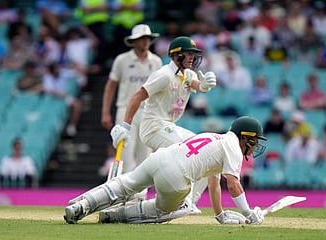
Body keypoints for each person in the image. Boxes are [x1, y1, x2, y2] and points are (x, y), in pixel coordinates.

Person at [64, 116, 266, 225]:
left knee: (127, 183)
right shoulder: (233, 148)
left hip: (159, 158)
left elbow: (214, 182)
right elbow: (233, 183)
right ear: (245, 137)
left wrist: (219, 214)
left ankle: (80, 206)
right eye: (255, 141)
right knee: (177, 208)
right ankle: (113, 216)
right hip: (175, 177)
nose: (256, 146)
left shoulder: (216, 139)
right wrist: (249, 213)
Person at [109, 36, 217, 213]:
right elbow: (137, 97)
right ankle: (179, 200)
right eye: (188, 54)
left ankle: (189, 201)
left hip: (168, 126)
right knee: (185, 153)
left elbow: (197, 85)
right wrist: (126, 126)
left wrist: (204, 86)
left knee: (205, 151)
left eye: (193, 54)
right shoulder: (164, 75)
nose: (192, 58)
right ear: (176, 55)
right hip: (152, 127)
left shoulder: (188, 74)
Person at [101, 24, 162, 173]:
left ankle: (140, 195)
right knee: (125, 156)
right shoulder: (122, 60)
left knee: (145, 158)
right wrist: (105, 112)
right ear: (134, 41)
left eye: (147, 38)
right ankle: (124, 195)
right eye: (141, 39)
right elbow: (110, 86)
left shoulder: (156, 62)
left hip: (147, 112)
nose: (145, 42)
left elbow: (160, 91)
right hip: (125, 111)